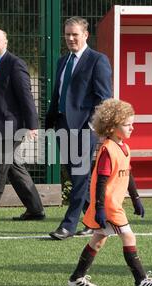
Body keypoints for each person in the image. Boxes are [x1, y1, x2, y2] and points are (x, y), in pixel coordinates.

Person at [67, 98, 152, 286]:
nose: (132, 128)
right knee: (129, 237)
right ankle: (141, 281)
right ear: (111, 127)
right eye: (128, 125)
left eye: (132, 124)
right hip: (109, 206)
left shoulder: (125, 148)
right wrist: (100, 208)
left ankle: (76, 278)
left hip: (112, 205)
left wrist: (136, 198)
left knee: (98, 239)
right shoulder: (107, 150)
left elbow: (127, 174)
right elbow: (101, 182)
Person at [45, 17, 112, 239]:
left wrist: (93, 126)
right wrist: (51, 119)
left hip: (85, 128)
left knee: (81, 175)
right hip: (62, 124)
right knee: (74, 175)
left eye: (75, 34)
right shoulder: (62, 61)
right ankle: (95, 218)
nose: (70, 38)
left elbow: (104, 98)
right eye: (67, 34)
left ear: (85, 35)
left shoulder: (97, 60)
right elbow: (58, 91)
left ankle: (69, 225)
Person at [0, 28, 45, 223]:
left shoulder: (15, 64)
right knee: (13, 168)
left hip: (12, 127)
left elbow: (25, 95)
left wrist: (32, 125)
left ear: (6, 42)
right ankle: (35, 210)